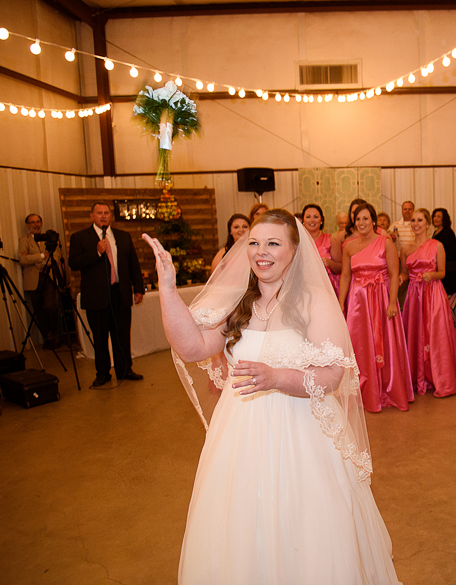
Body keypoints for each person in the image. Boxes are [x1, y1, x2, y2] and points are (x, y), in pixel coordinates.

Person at [142, 209, 400, 584]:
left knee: (304, 528)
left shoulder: (313, 301)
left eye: (273, 243)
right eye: (255, 243)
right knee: (242, 522)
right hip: (239, 432)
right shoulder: (239, 303)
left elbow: (332, 374)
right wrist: (167, 287)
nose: (261, 252)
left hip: (302, 435)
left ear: (295, 251)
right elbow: (193, 346)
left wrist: (277, 376)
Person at [339, 204, 413, 412]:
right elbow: (345, 276)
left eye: (365, 219)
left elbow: (393, 273)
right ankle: (363, 391)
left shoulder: (385, 242)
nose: (361, 223)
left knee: (385, 342)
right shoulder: (349, 246)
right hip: (357, 302)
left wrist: (391, 302)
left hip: (380, 298)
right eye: (358, 219)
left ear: (373, 220)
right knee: (360, 344)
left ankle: (387, 390)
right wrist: (340, 303)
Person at [68, 202, 145, 387]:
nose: (103, 216)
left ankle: (125, 369)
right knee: (100, 337)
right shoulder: (80, 237)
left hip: (121, 293)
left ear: (110, 216)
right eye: (99, 213)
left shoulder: (123, 236)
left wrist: (139, 288)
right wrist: (97, 252)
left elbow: (133, 264)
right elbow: (74, 262)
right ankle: (102, 373)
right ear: (91, 216)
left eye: (106, 213)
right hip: (97, 296)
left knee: (122, 335)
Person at [401, 208, 456, 397]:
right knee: (415, 333)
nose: (416, 224)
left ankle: (439, 376)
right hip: (414, 295)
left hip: (433, 294)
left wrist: (432, 275)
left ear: (427, 224)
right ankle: (416, 376)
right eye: (413, 220)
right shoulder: (405, 248)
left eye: (420, 220)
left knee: (435, 334)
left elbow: (443, 272)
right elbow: (405, 273)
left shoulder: (437, 245)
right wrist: (398, 278)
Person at [18, 213, 62, 349]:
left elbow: (55, 256)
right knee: (38, 312)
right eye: (32, 222)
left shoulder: (49, 238)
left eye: (38, 222)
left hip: (48, 278)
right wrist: (42, 256)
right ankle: (48, 338)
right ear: (27, 225)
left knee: (51, 307)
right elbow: (23, 259)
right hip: (33, 280)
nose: (36, 225)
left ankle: (56, 336)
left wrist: (35, 260)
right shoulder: (24, 240)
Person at [301, 203, 340, 294]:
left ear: (321, 220)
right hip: (304, 289)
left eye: (315, 217)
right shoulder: (297, 242)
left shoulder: (330, 240)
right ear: (303, 221)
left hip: (327, 288)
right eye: (308, 217)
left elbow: (342, 267)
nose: (312, 220)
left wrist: (330, 263)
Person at [329, 198, 367, 278]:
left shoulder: (378, 234)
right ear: (350, 214)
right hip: (348, 278)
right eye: (354, 212)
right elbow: (338, 265)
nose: (357, 214)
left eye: (360, 211)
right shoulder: (341, 236)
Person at [431, 208, 456, 300]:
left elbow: (453, 251)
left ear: (444, 219)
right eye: (435, 216)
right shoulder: (435, 232)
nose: (436, 218)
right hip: (442, 269)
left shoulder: (448, 232)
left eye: (439, 216)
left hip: (449, 271)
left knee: (447, 299)